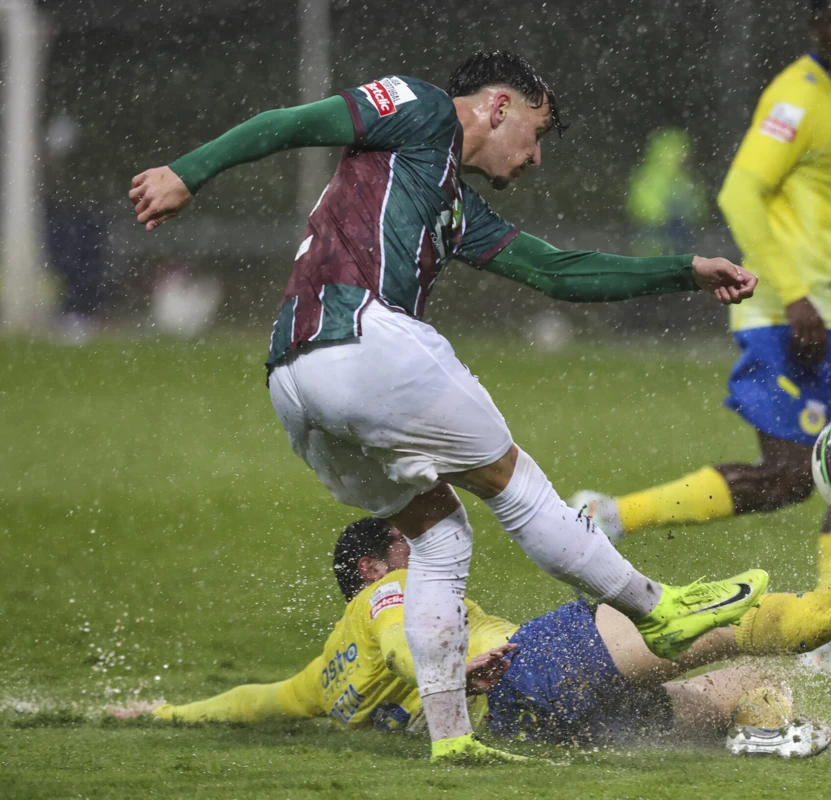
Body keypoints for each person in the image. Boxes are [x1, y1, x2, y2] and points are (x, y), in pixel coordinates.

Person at [128, 51, 769, 764]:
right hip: (361, 337)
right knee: (517, 488)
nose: (535, 158)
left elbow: (558, 272)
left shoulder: (453, 206)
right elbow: (292, 122)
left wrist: (685, 272)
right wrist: (186, 172)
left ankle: (451, 736)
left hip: (292, 380)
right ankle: (659, 611)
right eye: (537, 133)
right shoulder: (421, 107)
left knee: (438, 537)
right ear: (499, 106)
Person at [571, 0, 831, 676]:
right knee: (788, 477)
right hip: (784, 315)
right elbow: (740, 193)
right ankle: (609, 517)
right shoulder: (795, 96)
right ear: (815, 27)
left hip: (825, 318)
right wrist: (794, 293)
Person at [111, 501, 831, 759]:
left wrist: (164, 714)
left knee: (739, 693)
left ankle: (748, 741)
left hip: (533, 724)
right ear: (373, 565)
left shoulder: (322, 675)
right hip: (530, 667)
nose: (423, 545)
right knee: (721, 623)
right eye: (405, 540)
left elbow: (255, 701)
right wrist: (458, 667)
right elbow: (406, 638)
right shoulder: (388, 595)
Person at [626, 127, 708, 256]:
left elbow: (698, 205)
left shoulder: (684, 178)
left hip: (679, 231)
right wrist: (665, 215)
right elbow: (641, 204)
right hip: (657, 230)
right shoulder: (652, 176)